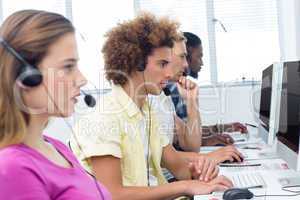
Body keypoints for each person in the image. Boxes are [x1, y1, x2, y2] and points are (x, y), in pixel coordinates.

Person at [71, 13, 233, 200]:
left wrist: (201, 172)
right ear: (137, 63)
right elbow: (113, 195)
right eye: (162, 64)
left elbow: (178, 166)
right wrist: (187, 186)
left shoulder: (146, 111)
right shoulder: (105, 118)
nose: (169, 72)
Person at [0, 10, 111, 200]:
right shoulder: (12, 168)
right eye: (68, 67)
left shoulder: (56, 147)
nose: (82, 79)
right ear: (26, 76)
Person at [166, 31, 247, 148]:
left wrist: (222, 128)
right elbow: (178, 138)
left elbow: (187, 130)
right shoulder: (171, 88)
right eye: (199, 56)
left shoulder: (181, 87)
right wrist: (206, 141)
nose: (202, 62)